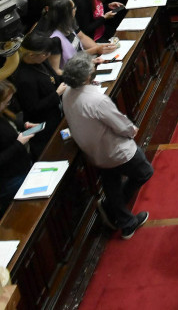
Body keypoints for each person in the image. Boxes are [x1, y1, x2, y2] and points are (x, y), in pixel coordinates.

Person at [61, 55, 152, 238]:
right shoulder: (96, 99)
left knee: (111, 181)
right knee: (144, 172)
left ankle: (126, 222)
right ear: (87, 77)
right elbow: (119, 123)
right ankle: (113, 208)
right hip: (115, 150)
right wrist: (131, 130)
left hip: (94, 152)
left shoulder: (67, 94)